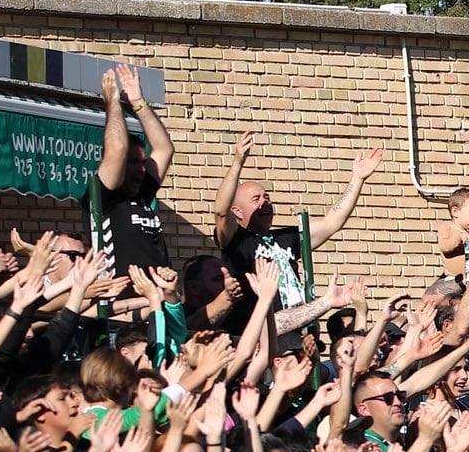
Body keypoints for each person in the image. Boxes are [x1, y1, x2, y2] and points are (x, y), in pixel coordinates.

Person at [213, 130, 384, 322]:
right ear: (237, 211)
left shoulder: (286, 239)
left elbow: (332, 222)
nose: (265, 202)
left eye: (267, 197)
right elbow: (221, 210)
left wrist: (358, 179)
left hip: (296, 329)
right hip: (261, 332)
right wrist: (237, 163)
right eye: (256, 199)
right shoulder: (236, 239)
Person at [91, 63, 177, 276]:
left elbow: (164, 149)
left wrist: (138, 103)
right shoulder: (105, 198)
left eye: (142, 162)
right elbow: (117, 149)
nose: (141, 169)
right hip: (124, 301)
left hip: (159, 299)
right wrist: (113, 103)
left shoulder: (142, 195)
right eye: (133, 162)